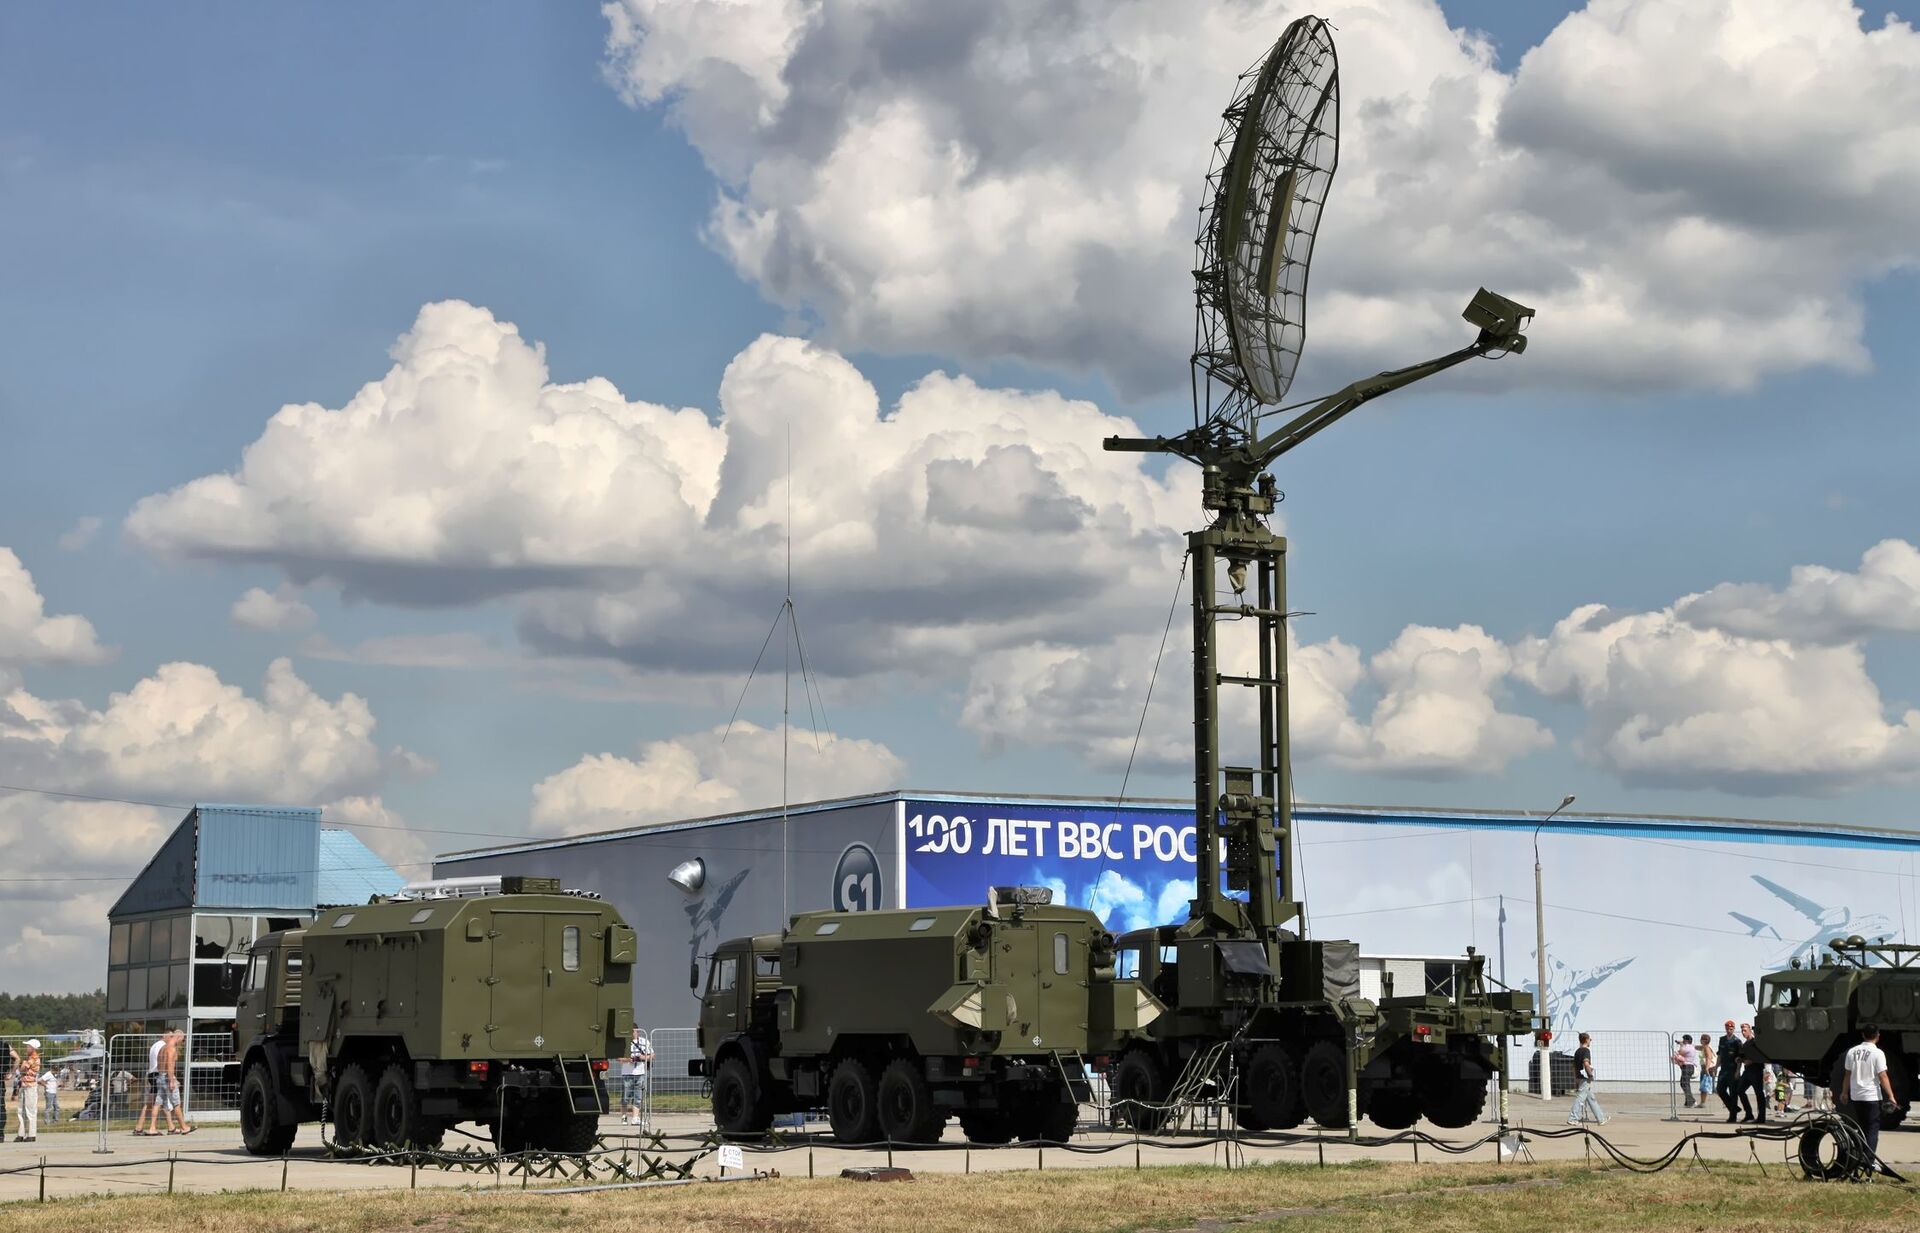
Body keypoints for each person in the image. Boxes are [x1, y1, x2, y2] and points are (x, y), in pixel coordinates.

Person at [1844, 1023, 1897, 1165]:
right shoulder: (1877, 1053)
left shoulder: (1852, 1052)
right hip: (1872, 1096)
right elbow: (1883, 1076)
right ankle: (1868, 1160)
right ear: (1878, 1036)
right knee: (1872, 1129)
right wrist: (1891, 1096)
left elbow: (1847, 1075)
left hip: (1856, 1096)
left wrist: (1844, 1092)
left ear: (1863, 1035)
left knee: (1861, 1128)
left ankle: (1858, 1155)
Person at [1566, 1032, 1607, 1126]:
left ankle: (1601, 1118)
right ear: (1586, 1040)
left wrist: (1575, 1078)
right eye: (1590, 1039)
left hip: (1579, 1077)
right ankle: (1572, 1118)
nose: (1590, 1041)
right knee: (1580, 1098)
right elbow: (1586, 1063)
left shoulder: (1577, 1051)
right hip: (1585, 1078)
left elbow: (1574, 1067)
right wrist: (1590, 1075)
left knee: (1591, 1098)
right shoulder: (1586, 1051)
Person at [134, 1034, 166, 1136]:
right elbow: (161, 1061)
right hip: (158, 1074)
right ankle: (152, 1127)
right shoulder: (163, 1045)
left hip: (152, 1073)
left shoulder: (154, 1045)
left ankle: (139, 1127)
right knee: (157, 1102)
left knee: (151, 1102)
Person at [162, 1029, 193, 1135]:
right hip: (168, 1077)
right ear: (179, 1037)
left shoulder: (165, 1046)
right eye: (183, 1040)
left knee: (161, 1103)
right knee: (177, 1104)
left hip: (162, 1076)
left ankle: (171, 1127)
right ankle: (184, 1127)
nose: (182, 1042)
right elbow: (170, 1064)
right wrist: (171, 1080)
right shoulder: (171, 1048)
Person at [622, 1025, 654, 1127]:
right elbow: (618, 1058)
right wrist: (628, 1059)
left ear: (637, 1031)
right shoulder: (623, 1043)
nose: (632, 1033)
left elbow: (652, 1055)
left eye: (633, 1031)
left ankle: (635, 1118)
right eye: (630, 1031)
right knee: (625, 1097)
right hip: (627, 1073)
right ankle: (624, 1117)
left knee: (638, 1096)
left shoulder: (644, 1041)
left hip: (640, 1073)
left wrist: (642, 1057)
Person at [1738, 1022, 1768, 1123]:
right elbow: (1742, 1056)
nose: (1743, 1032)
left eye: (1745, 1030)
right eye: (1742, 1030)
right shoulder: (1745, 1044)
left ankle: (1761, 1117)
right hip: (1747, 1071)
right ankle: (1749, 1114)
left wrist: (1752, 1060)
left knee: (1759, 1094)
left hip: (1756, 1070)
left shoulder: (1756, 1042)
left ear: (1750, 1030)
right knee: (1740, 1090)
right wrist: (1739, 1059)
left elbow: (1763, 1055)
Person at [1717, 1020, 1744, 1123]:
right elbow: (1720, 1054)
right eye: (1728, 1028)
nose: (1729, 1030)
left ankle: (1733, 1116)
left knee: (1733, 1093)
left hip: (1733, 1070)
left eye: (1731, 1029)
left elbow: (1740, 1058)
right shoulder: (1722, 1040)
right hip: (1723, 1069)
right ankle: (1734, 1108)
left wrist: (1738, 1071)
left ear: (1734, 1029)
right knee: (1720, 1090)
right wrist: (1715, 1067)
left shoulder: (1737, 1041)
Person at [13, 1040, 40, 1142]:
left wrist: (23, 1064)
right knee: (21, 1110)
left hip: (30, 1087)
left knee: (30, 1111)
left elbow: (23, 1069)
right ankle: (21, 1133)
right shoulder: (29, 1058)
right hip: (24, 1086)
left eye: (28, 1046)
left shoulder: (34, 1058)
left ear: (32, 1048)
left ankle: (31, 1134)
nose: (26, 1048)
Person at [1671, 1034, 1698, 1108]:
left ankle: (1692, 1101)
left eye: (1683, 1039)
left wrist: (1681, 1045)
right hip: (1689, 1066)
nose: (1682, 1041)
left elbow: (1680, 1052)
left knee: (1684, 1084)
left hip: (1687, 1067)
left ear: (1686, 1040)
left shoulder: (1687, 1047)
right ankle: (1688, 1102)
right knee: (1685, 1084)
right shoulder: (1691, 1046)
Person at [1698, 1031, 1716, 1105]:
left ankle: (1702, 1103)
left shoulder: (1706, 1048)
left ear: (1704, 1040)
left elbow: (1709, 1057)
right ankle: (1702, 1102)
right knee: (1708, 1086)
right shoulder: (1704, 1047)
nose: (1700, 1040)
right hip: (1709, 1069)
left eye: (1701, 1039)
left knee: (1704, 1086)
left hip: (1707, 1069)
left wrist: (1706, 1068)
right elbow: (1696, 1047)